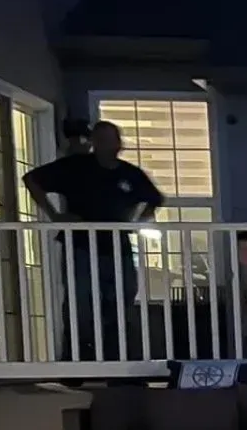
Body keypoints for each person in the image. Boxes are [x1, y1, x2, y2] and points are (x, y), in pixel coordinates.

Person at [24, 120, 162, 363]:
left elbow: (154, 199)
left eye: (112, 140)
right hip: (81, 246)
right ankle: (77, 362)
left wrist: (136, 222)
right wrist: (55, 215)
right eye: (101, 139)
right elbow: (32, 180)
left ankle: (118, 362)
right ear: (94, 143)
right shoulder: (75, 168)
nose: (107, 145)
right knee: (80, 304)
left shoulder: (129, 173)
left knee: (122, 299)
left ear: (120, 144)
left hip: (117, 246)